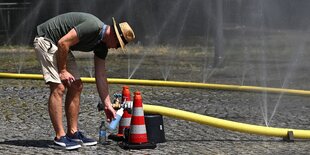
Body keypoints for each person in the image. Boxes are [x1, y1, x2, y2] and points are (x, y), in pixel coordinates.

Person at [33, 12, 135, 150]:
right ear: (114, 35)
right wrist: (62, 71)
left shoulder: (102, 45)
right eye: (118, 44)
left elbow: (100, 75)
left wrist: (107, 104)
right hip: (47, 40)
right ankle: (60, 137)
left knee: (77, 85)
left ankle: (73, 133)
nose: (116, 48)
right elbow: (63, 42)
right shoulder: (93, 27)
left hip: (62, 46)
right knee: (58, 88)